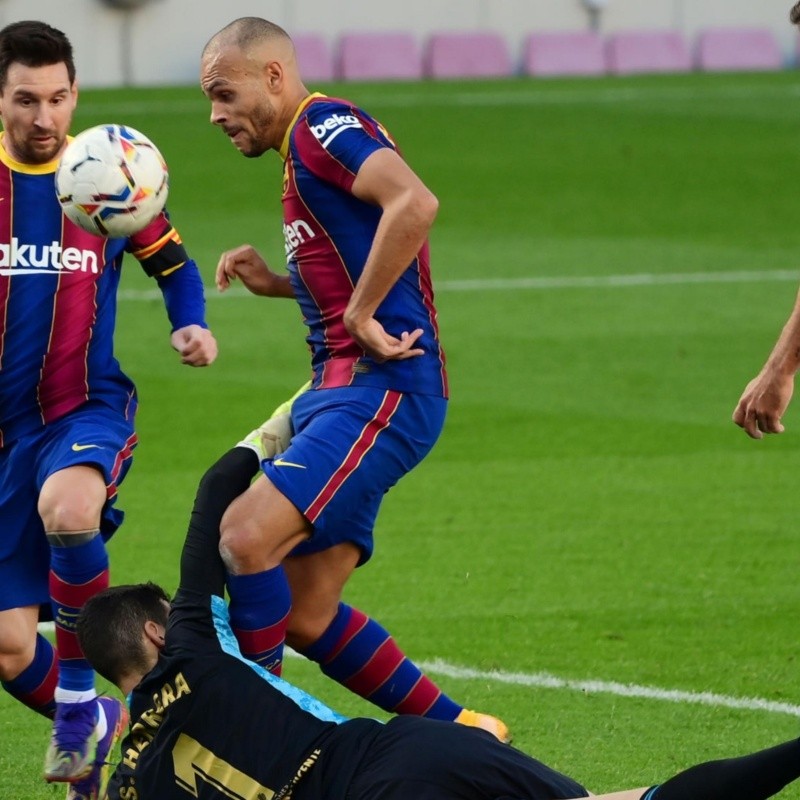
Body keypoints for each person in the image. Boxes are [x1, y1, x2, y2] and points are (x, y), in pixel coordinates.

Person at [76, 443, 800, 800]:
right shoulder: (194, 648)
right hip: (408, 752)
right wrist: (316, 402)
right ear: (154, 633)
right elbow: (215, 491)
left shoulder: (128, 780)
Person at [200, 15, 508, 742]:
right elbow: (349, 267)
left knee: (244, 536)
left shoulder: (323, 125)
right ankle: (469, 731)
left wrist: (365, 311)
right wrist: (275, 282)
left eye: (223, 92)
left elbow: (415, 203)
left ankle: (254, 745)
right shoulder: (298, 153)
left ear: (274, 75)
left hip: (383, 389)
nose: (214, 114)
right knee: (306, 611)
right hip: (342, 392)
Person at [0, 19, 218, 799]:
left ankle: (73, 703)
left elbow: (174, 263)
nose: (44, 118)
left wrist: (187, 321)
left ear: (75, 95)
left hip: (80, 408)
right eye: (26, 100)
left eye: (58, 98)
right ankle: (107, 727)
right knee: (6, 644)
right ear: (2, 99)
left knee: (69, 508)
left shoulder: (102, 173)